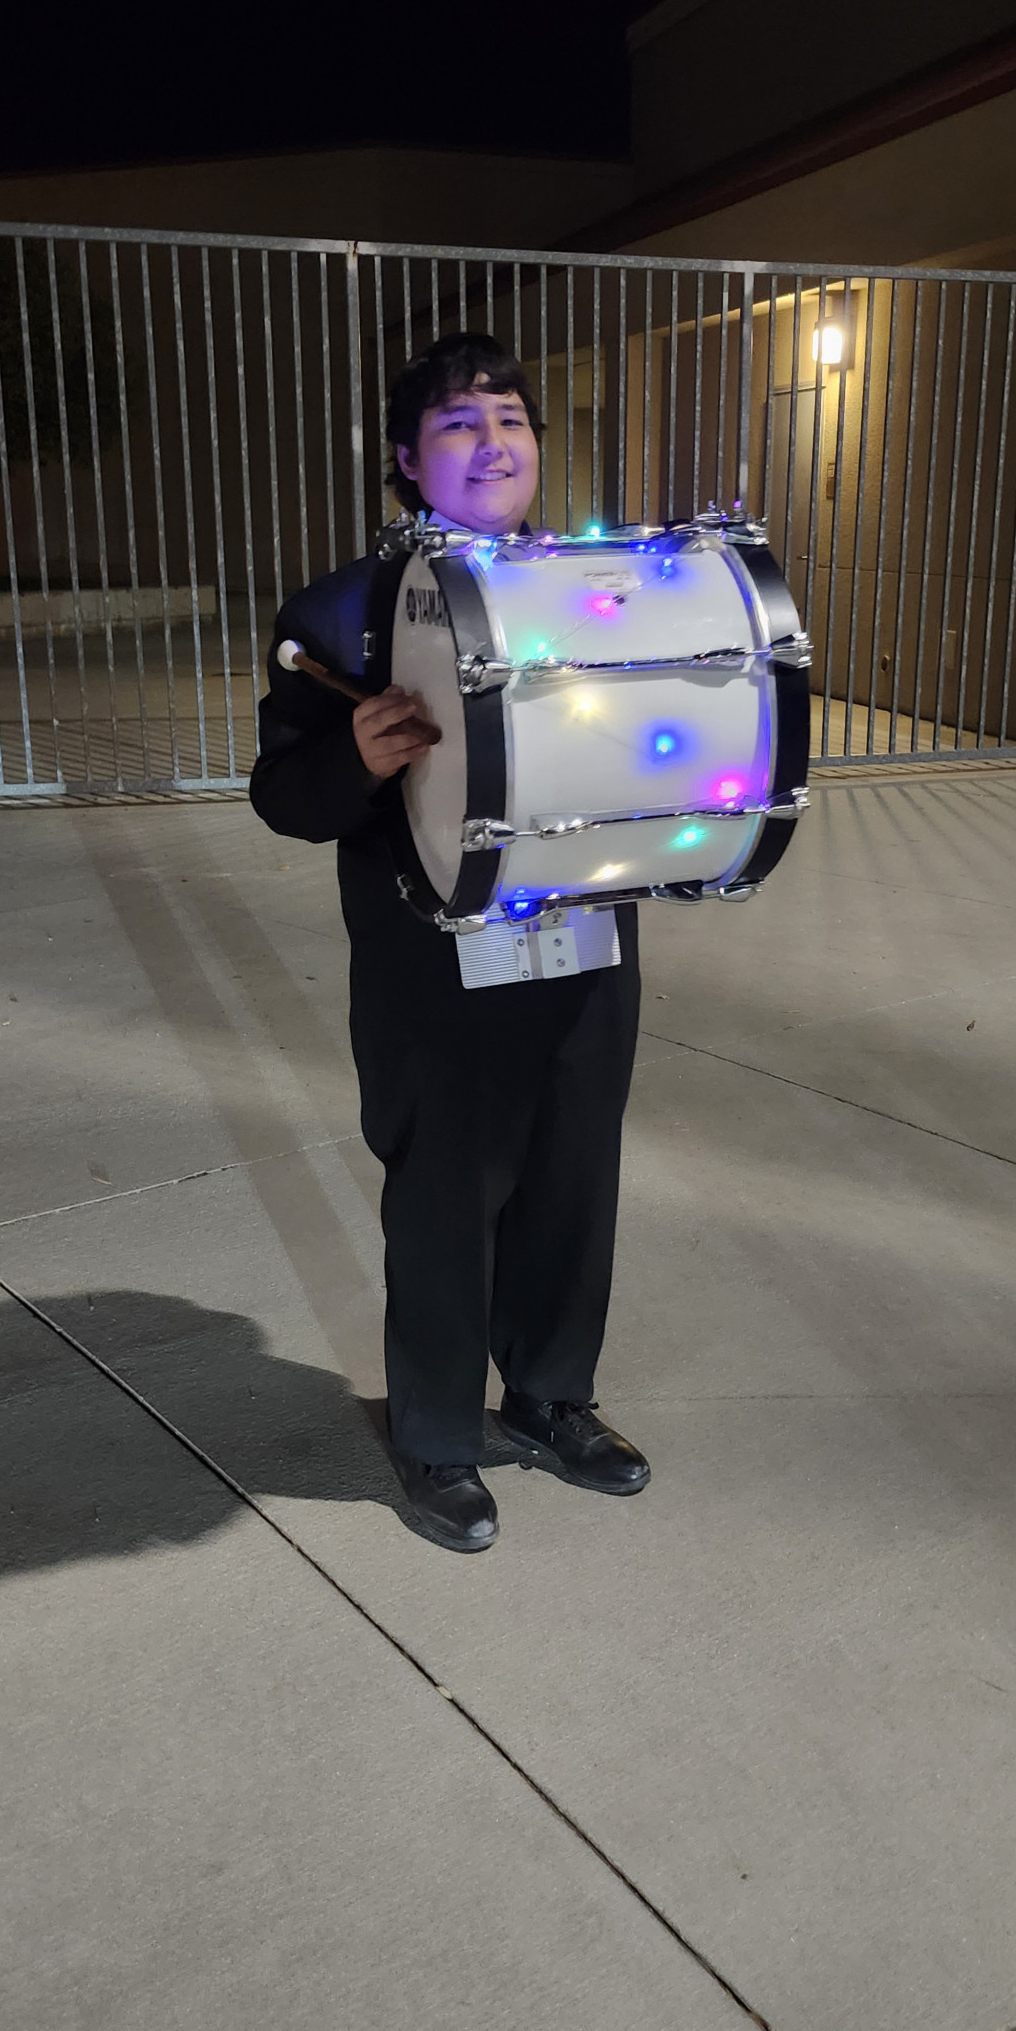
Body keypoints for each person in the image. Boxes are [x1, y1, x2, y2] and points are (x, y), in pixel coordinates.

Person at [249, 333, 648, 1552]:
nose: (493, 444)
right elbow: (282, 796)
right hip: (433, 964)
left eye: (511, 419)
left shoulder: (600, 588)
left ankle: (550, 1397)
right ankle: (436, 1435)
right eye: (460, 424)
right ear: (408, 460)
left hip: (584, 938)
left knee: (574, 1179)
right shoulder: (344, 614)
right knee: (443, 1199)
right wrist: (352, 757)